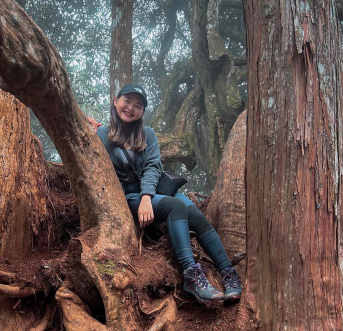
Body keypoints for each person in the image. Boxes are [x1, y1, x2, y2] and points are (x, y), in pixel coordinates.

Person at [87, 83, 242, 303]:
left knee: (197, 216)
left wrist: (147, 198)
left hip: (152, 190)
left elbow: (152, 167)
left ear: (142, 111)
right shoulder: (101, 134)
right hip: (127, 196)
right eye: (127, 101)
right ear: (115, 101)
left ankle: (228, 274)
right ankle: (192, 276)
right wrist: (86, 127)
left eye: (138, 105)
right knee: (176, 206)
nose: (131, 107)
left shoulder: (147, 134)